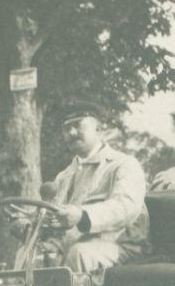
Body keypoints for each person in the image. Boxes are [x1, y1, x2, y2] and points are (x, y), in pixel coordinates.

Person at [22, 100, 149, 276]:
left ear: (98, 129)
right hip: (73, 244)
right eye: (66, 129)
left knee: (79, 254)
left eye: (77, 125)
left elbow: (125, 207)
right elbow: (54, 216)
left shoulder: (123, 165)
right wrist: (30, 224)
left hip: (119, 245)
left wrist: (82, 215)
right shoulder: (64, 176)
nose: (71, 133)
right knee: (30, 255)